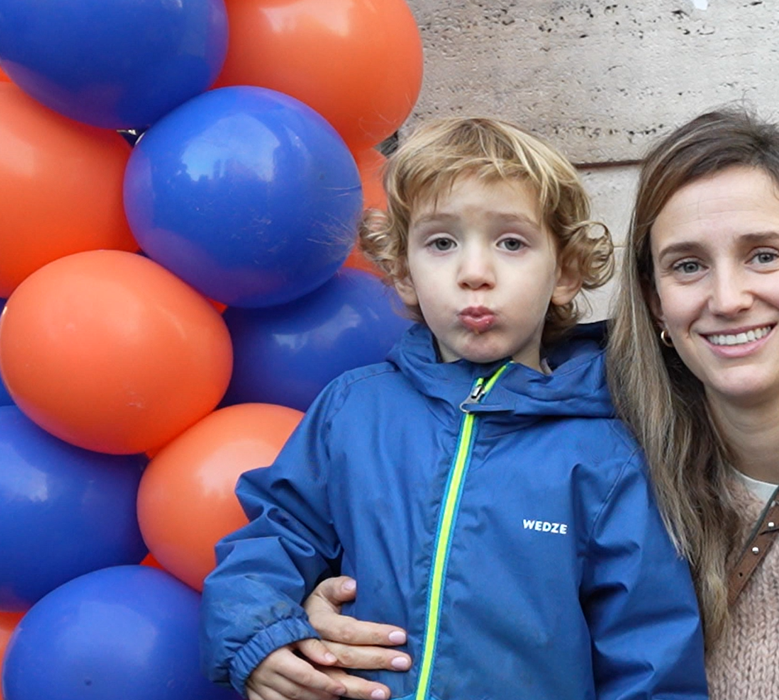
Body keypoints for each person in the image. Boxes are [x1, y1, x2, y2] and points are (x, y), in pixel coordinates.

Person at [300, 109, 779, 698]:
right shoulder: (614, 447)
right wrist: (305, 622)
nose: (727, 296)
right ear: (653, 301)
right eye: (687, 265)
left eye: (763, 255)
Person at [200, 117, 708, 700]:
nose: (474, 274)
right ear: (403, 271)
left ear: (565, 272)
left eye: (511, 243)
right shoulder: (354, 411)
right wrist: (259, 638)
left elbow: (648, 650)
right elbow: (274, 538)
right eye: (441, 243)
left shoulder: (606, 451)